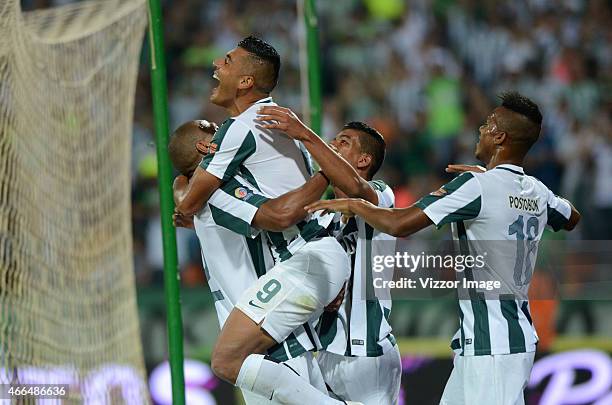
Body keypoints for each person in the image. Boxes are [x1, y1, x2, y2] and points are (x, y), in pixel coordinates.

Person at [306, 92, 581, 405]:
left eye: (488, 124)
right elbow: (571, 216)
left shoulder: (475, 187)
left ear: (500, 137)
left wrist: (356, 204)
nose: (480, 129)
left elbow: (400, 224)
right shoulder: (537, 191)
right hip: (487, 340)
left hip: (494, 345)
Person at [173, 36, 360, 405]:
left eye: (226, 60)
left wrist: (186, 197)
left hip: (299, 265)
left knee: (227, 360)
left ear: (245, 81)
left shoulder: (239, 132)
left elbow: (196, 201)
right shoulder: (279, 125)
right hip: (307, 264)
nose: (215, 64)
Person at [168, 119, 332, 404]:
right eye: (213, 129)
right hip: (270, 333)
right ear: (204, 146)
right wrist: (330, 171)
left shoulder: (197, 196)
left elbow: (189, 198)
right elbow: (279, 216)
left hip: (245, 342)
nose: (222, 131)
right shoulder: (218, 190)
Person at [256, 107, 402, 405]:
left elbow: (355, 187)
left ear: (364, 160)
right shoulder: (322, 216)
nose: (333, 145)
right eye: (333, 139)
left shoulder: (381, 196)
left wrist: (304, 134)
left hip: (367, 352)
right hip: (324, 350)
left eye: (344, 142)